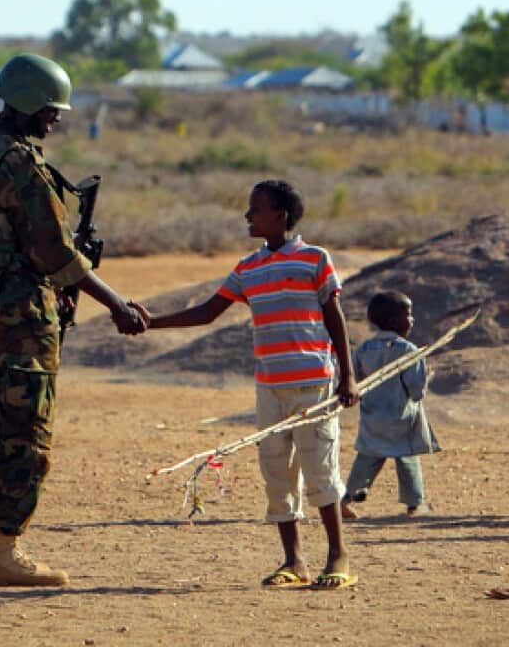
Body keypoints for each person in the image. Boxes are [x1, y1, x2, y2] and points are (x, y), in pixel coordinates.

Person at [0, 54, 147, 587]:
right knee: (25, 433)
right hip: (20, 313)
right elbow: (56, 254)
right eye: (52, 110)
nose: (56, 119)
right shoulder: (20, 167)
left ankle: (3, 545)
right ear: (30, 104)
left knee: (3, 423)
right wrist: (116, 304)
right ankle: (5, 552)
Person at [136, 180, 359, 590]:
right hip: (269, 385)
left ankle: (338, 556)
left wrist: (348, 375)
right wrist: (151, 322)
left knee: (320, 469)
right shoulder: (248, 268)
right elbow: (207, 313)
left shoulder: (314, 259)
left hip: (314, 382)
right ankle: (294, 562)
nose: (247, 216)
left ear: (281, 216)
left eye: (255, 209)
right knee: (277, 471)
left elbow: (335, 317)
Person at [340, 291, 440, 520]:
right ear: (395, 322)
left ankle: (346, 499)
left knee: (367, 458)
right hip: (401, 418)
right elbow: (416, 391)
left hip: (372, 417)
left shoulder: (363, 349)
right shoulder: (408, 351)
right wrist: (427, 377)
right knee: (407, 459)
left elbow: (355, 380)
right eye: (408, 314)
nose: (412, 320)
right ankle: (415, 503)